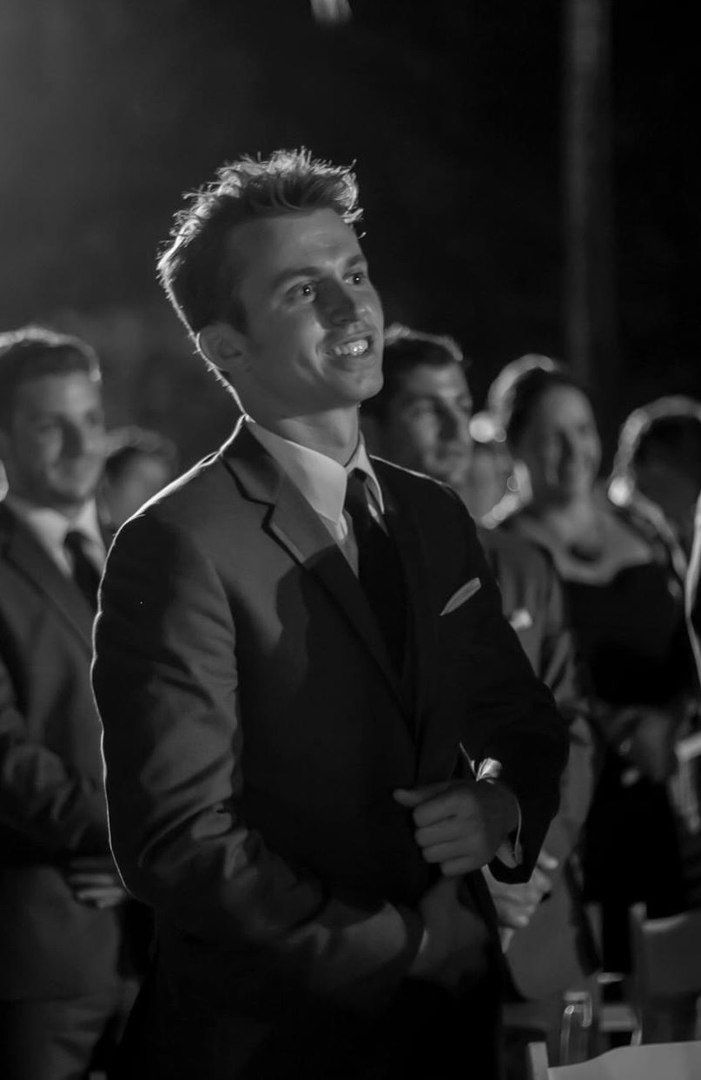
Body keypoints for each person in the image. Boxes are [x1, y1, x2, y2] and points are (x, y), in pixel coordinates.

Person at [91, 149, 568, 1080]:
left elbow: (517, 717)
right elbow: (180, 842)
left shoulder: (431, 513)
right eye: (303, 292)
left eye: (353, 274)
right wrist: (398, 947)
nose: (354, 312)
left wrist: (500, 805)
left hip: (448, 1032)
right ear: (225, 347)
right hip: (272, 1042)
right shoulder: (177, 541)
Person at [362, 326, 599, 1071]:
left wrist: (524, 859)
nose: (450, 428)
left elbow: (568, 724)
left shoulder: (519, 562)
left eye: (459, 405)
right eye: (423, 408)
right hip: (407, 930)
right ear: (368, 421)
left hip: (537, 919)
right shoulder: (337, 569)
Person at [489, 360, 699, 977]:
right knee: (589, 988)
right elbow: (509, 684)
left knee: (671, 980)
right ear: (514, 444)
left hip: (659, 790)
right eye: (552, 434)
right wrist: (619, 727)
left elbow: (689, 644)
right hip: (569, 803)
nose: (573, 449)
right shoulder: (499, 549)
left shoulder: (644, 527)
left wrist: (671, 719)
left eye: (582, 429)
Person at [0, 327, 140, 1079]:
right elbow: (5, 758)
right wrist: (136, 837)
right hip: (43, 952)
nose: (79, 443)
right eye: (49, 424)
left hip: (164, 942)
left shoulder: (145, 554)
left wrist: (153, 861)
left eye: (89, 420)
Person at [98, 425, 178, 530]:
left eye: (158, 488)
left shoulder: (159, 540)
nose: (152, 495)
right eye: (142, 481)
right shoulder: (74, 529)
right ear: (108, 478)